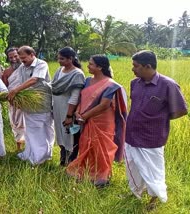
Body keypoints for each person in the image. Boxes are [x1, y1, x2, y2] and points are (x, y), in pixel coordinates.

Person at [124, 50, 188, 206]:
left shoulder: (168, 85)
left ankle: (155, 199)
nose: (133, 69)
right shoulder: (134, 83)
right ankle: (136, 192)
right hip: (132, 133)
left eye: (136, 66)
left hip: (152, 136)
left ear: (148, 66)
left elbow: (181, 110)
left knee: (153, 170)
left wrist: (158, 119)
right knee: (132, 166)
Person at [66, 54, 127, 187]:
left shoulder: (111, 85)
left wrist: (84, 116)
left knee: (102, 149)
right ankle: (86, 173)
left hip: (103, 123)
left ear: (100, 67)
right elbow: (82, 98)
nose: (88, 66)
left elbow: (104, 105)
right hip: (85, 120)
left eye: (91, 64)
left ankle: (101, 178)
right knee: (86, 145)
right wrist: (77, 112)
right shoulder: (88, 81)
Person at [7, 46, 54, 165]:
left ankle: (40, 157)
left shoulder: (41, 64)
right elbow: (20, 82)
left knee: (42, 130)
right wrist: (15, 97)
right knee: (31, 131)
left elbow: (34, 80)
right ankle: (31, 152)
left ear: (32, 54)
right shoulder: (23, 67)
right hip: (29, 104)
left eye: (24, 58)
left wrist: (15, 91)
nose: (22, 61)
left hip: (42, 103)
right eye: (21, 59)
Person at [51, 47, 85, 166]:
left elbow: (74, 97)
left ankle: (72, 163)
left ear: (70, 59)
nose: (59, 61)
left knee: (70, 134)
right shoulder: (59, 70)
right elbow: (53, 88)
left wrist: (69, 115)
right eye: (58, 58)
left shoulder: (77, 74)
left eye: (62, 58)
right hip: (57, 108)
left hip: (68, 109)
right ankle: (63, 159)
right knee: (60, 133)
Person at [2, 47, 25, 151]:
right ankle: (19, 147)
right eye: (10, 57)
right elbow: (4, 88)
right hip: (12, 102)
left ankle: (29, 147)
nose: (13, 59)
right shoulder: (6, 72)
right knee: (15, 123)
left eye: (15, 56)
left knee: (27, 124)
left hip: (26, 101)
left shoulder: (27, 69)